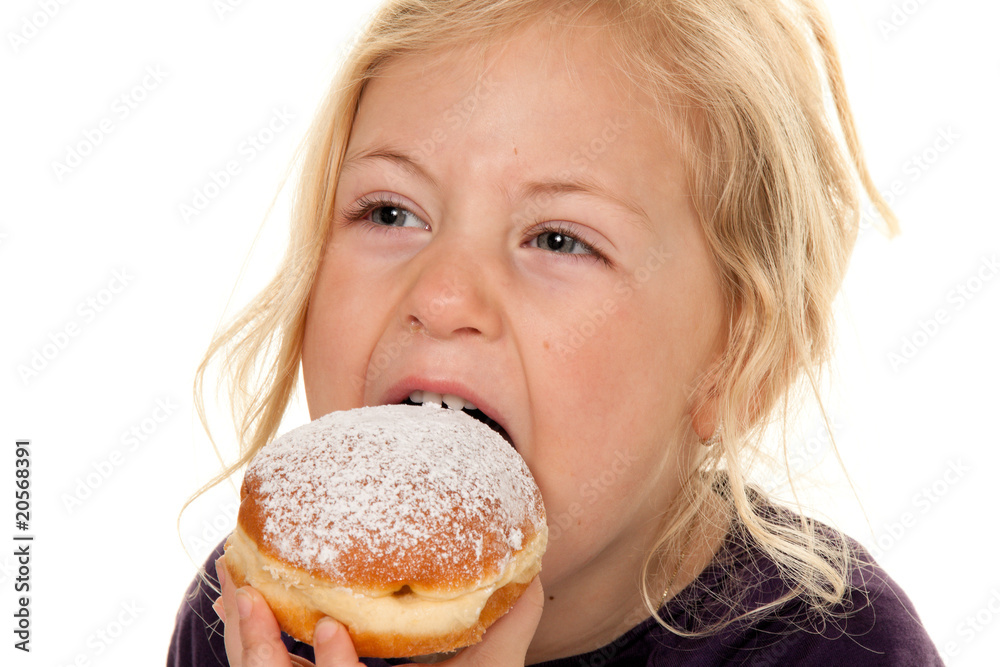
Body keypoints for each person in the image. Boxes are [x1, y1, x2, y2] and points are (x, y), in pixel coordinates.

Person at [168, 0, 945, 664]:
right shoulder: (253, 616)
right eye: (390, 212)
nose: (440, 295)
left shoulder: (839, 648)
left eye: (559, 239)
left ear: (733, 364)